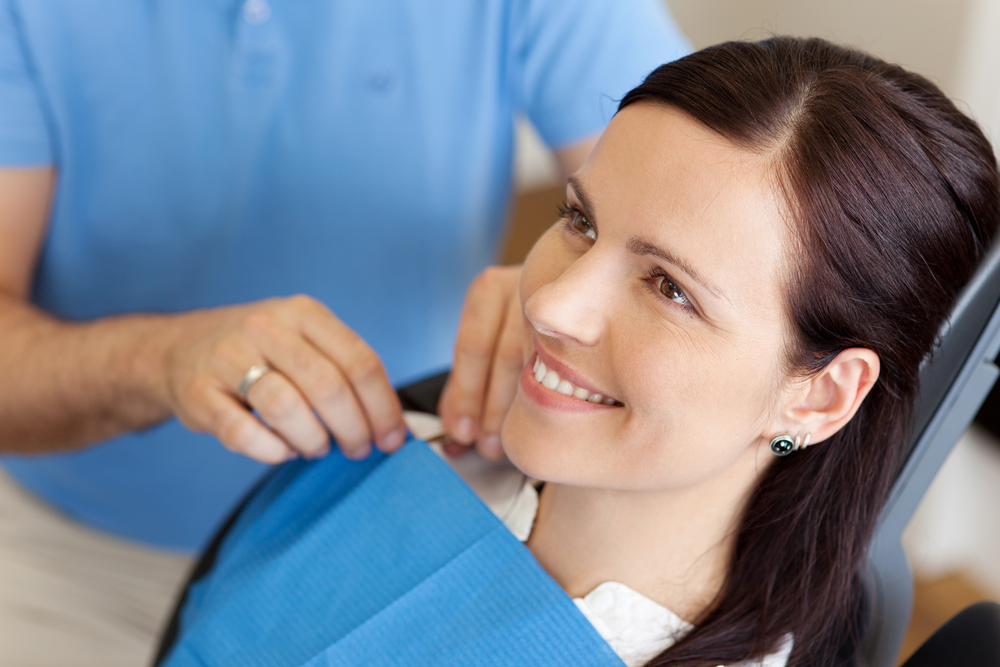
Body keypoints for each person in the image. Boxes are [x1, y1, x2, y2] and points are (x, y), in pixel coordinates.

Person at [157, 37, 999, 667]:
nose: (550, 300)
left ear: (817, 395)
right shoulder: (390, 454)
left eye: (670, 288)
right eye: (580, 221)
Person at [0, 1, 690, 664]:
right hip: (78, 560)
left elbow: (704, 197)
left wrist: (552, 285)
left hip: (399, 532)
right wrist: (158, 361)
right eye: (577, 223)